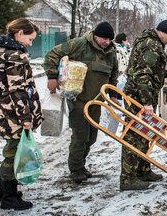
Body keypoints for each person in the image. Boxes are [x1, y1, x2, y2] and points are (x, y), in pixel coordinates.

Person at [43, 21, 119, 184]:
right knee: (80, 135)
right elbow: (51, 55)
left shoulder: (111, 53)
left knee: (91, 137)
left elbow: (113, 76)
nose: (106, 42)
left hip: (97, 102)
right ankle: (76, 168)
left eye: (109, 39)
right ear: (96, 35)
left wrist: (112, 95)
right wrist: (51, 77)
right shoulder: (79, 45)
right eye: (104, 38)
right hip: (78, 99)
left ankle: (81, 165)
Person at [0, 18, 44, 210]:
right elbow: (17, 89)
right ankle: (9, 197)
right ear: (19, 33)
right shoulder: (14, 55)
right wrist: (26, 118)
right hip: (14, 114)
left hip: (4, 110)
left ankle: (2, 191)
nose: (30, 43)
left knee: (12, 149)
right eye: (29, 38)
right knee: (13, 153)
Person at [120, 20, 167, 191]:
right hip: (139, 97)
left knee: (145, 133)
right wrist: (146, 102)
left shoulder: (148, 42)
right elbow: (142, 74)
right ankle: (128, 179)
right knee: (134, 136)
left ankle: (143, 170)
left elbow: (150, 68)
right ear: (162, 32)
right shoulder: (152, 46)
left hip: (141, 95)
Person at [106, 32, 132, 134]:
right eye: (126, 40)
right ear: (122, 40)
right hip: (120, 75)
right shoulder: (119, 50)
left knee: (121, 93)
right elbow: (125, 61)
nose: (127, 42)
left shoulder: (122, 49)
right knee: (120, 93)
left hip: (122, 75)